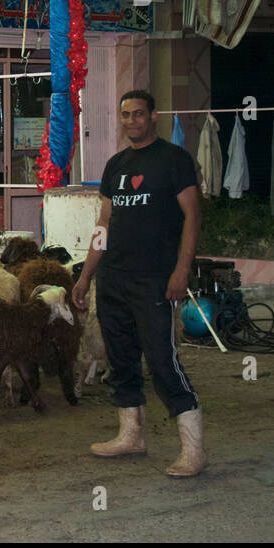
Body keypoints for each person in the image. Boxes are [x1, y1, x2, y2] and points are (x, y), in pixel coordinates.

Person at [72, 90, 204, 477]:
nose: (132, 120)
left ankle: (193, 450)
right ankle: (131, 435)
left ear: (153, 116)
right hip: (113, 278)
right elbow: (104, 224)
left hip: (155, 280)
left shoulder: (174, 161)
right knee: (121, 358)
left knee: (163, 361)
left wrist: (182, 271)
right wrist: (85, 276)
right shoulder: (116, 165)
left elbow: (193, 219)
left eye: (139, 114)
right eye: (126, 114)